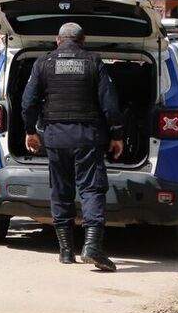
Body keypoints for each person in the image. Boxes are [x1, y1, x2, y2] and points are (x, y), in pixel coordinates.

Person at [21, 22, 124, 271]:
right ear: (83, 40)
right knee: (91, 189)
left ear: (58, 40)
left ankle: (66, 251)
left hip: (55, 138)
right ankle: (92, 247)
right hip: (87, 137)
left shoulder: (43, 63)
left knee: (61, 190)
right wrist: (117, 134)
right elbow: (109, 103)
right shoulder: (93, 62)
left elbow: (28, 101)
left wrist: (30, 131)